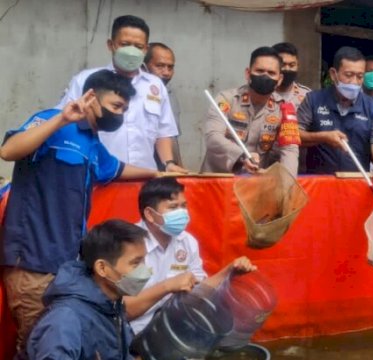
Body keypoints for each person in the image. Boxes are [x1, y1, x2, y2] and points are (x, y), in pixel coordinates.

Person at [0, 70, 158, 352]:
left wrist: (158, 173)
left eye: (124, 109)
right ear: (91, 98)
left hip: (66, 263)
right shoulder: (54, 120)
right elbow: (9, 150)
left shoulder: (93, 144)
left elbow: (117, 169)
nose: (119, 115)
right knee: (37, 342)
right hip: (33, 261)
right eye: (115, 106)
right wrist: (62, 117)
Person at [125, 177, 257, 334]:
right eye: (173, 207)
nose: (181, 213)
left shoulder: (186, 242)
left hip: (172, 324)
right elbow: (125, 311)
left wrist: (229, 271)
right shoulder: (132, 246)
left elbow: (198, 291)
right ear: (150, 214)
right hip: (134, 331)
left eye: (184, 206)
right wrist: (168, 286)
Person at [57, 15, 187, 173]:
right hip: (99, 175)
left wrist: (168, 163)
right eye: (125, 44)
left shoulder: (155, 86)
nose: (131, 51)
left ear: (145, 49)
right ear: (111, 45)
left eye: (138, 46)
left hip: (144, 177)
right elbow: (64, 122)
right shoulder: (85, 80)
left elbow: (163, 132)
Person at [26, 220, 151, 359]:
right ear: (102, 268)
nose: (144, 270)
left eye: (144, 261)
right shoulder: (66, 319)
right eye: (136, 263)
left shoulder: (113, 305)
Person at [297, 46, 373, 202]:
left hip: (357, 186)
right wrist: (323, 137)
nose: (354, 82)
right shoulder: (313, 100)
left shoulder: (372, 107)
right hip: (319, 186)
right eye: (348, 75)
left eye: (359, 76)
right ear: (333, 74)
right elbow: (294, 135)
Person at [201, 46, 300, 176]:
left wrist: (287, 182)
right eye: (259, 71)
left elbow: (290, 149)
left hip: (254, 184)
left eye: (271, 73)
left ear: (280, 79)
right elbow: (213, 137)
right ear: (248, 73)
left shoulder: (284, 108)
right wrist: (242, 155)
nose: (265, 76)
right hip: (218, 180)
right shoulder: (227, 99)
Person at [144, 42, 183, 167]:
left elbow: (171, 137)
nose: (166, 72)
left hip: (165, 166)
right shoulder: (133, 93)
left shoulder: (170, 94)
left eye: (170, 67)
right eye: (160, 66)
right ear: (144, 66)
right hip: (139, 166)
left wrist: (177, 164)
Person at [272, 42, 312, 110]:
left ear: (297, 66)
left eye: (292, 65)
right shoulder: (262, 94)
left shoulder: (307, 95)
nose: (287, 69)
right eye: (282, 64)